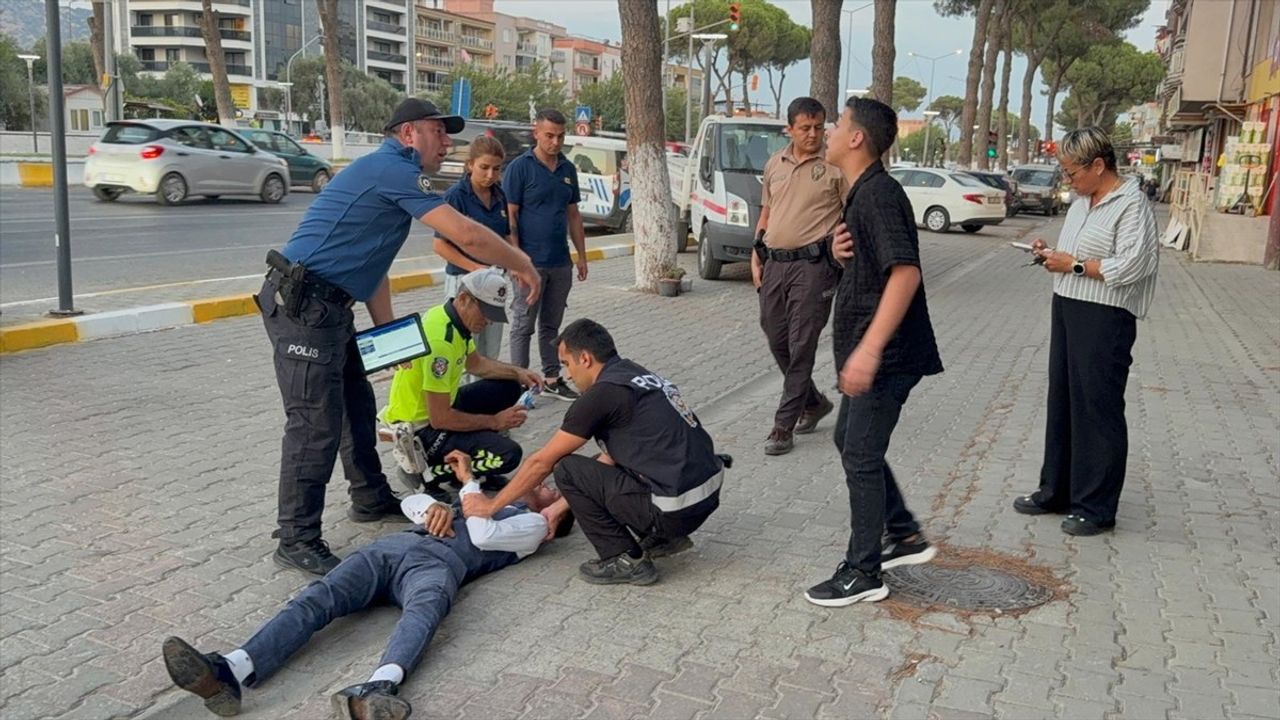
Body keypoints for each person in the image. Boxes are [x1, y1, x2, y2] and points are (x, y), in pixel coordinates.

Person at [259, 98, 542, 577]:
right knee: (314, 426)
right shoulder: (391, 169)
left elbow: (374, 268)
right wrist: (522, 262)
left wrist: (390, 335)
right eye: (438, 132)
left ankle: (369, 498)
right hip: (303, 306)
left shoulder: (396, 179)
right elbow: (468, 236)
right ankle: (296, 537)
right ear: (409, 133)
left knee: (357, 405)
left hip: (329, 308)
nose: (446, 143)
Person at [161, 451, 571, 720]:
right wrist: (434, 507)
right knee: (318, 598)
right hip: (394, 548)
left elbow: (481, 534)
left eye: (549, 487)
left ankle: (376, 688)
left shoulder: (534, 527)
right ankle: (231, 668)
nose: (539, 483)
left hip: (438, 565)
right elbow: (410, 503)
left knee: (423, 614)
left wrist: (467, 486)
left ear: (553, 510)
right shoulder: (490, 498)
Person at [462, 319, 730, 586]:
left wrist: (490, 506)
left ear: (586, 359)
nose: (566, 375)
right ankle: (665, 538)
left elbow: (541, 462)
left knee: (566, 469)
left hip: (675, 509)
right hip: (703, 499)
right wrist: (558, 507)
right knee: (591, 468)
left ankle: (625, 559)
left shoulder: (601, 395)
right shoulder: (633, 374)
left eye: (567, 364)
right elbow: (613, 458)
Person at [805, 96, 944, 608]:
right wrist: (839, 253)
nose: (831, 132)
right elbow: (876, 268)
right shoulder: (863, 193)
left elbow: (905, 272)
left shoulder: (878, 194)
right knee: (849, 439)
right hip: (876, 353)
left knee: (860, 453)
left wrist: (868, 350)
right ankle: (903, 534)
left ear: (857, 138)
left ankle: (863, 570)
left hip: (887, 356)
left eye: (838, 124)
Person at [1012, 126, 1159, 536]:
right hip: (1068, 305)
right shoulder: (1081, 202)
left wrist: (1074, 266)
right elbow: (1076, 254)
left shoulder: (1131, 204)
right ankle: (1055, 490)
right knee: (1063, 399)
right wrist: (1050, 256)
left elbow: (1134, 265)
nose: (1067, 180)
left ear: (1099, 165)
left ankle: (1095, 507)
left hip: (1106, 315)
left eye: (1072, 171)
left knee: (1098, 406)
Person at [381, 268, 542, 501]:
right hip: (421, 429)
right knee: (509, 455)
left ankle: (469, 467)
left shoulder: (451, 319)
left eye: (493, 314)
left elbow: (476, 364)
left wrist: (519, 372)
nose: (488, 321)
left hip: (440, 406)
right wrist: (495, 421)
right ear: (464, 299)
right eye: (485, 312)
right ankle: (426, 473)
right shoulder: (441, 342)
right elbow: (440, 418)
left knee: (509, 386)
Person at [752, 97, 850, 456]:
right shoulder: (774, 164)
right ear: (789, 129)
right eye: (805, 128)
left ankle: (783, 425)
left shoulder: (837, 167)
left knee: (801, 345)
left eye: (819, 127)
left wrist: (839, 252)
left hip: (815, 268)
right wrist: (756, 252)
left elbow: (852, 215)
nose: (813, 134)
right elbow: (767, 213)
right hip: (774, 264)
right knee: (776, 336)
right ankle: (814, 402)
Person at [503, 108, 589, 400]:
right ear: (536, 132)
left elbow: (574, 215)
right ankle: (519, 383)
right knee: (523, 324)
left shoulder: (567, 170)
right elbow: (510, 216)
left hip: (560, 262)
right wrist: (516, 260)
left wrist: (582, 256)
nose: (555, 142)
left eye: (561, 136)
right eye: (549, 135)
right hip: (529, 263)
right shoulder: (520, 167)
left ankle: (552, 378)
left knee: (551, 325)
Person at [433, 135, 514, 365]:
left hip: (494, 283)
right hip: (464, 281)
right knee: (464, 351)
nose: (490, 175)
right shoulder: (455, 197)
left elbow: (506, 236)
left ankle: (486, 397)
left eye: (496, 169)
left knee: (490, 350)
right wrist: (476, 268)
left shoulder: (500, 195)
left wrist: (517, 263)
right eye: (484, 168)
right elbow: (439, 244)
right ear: (470, 165)